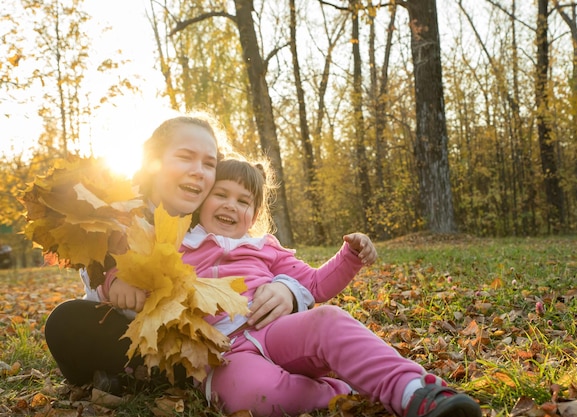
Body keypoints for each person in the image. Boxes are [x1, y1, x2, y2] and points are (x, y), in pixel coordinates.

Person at [175, 158, 482, 417]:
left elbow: (315, 284)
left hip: (277, 331)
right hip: (226, 353)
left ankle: (413, 391)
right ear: (203, 200)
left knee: (328, 321)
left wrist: (350, 256)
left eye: (243, 201)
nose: (231, 205)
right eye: (221, 195)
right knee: (251, 395)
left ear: (254, 215)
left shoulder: (264, 247)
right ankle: (337, 391)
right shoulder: (179, 248)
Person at [43, 115, 313, 393]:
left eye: (209, 164)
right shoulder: (118, 214)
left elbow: (258, 260)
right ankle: (132, 374)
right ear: (153, 162)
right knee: (66, 320)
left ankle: (160, 377)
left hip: (191, 340)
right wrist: (115, 283)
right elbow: (92, 270)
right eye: (185, 157)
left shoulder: (211, 221)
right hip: (123, 329)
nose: (198, 171)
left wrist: (288, 289)